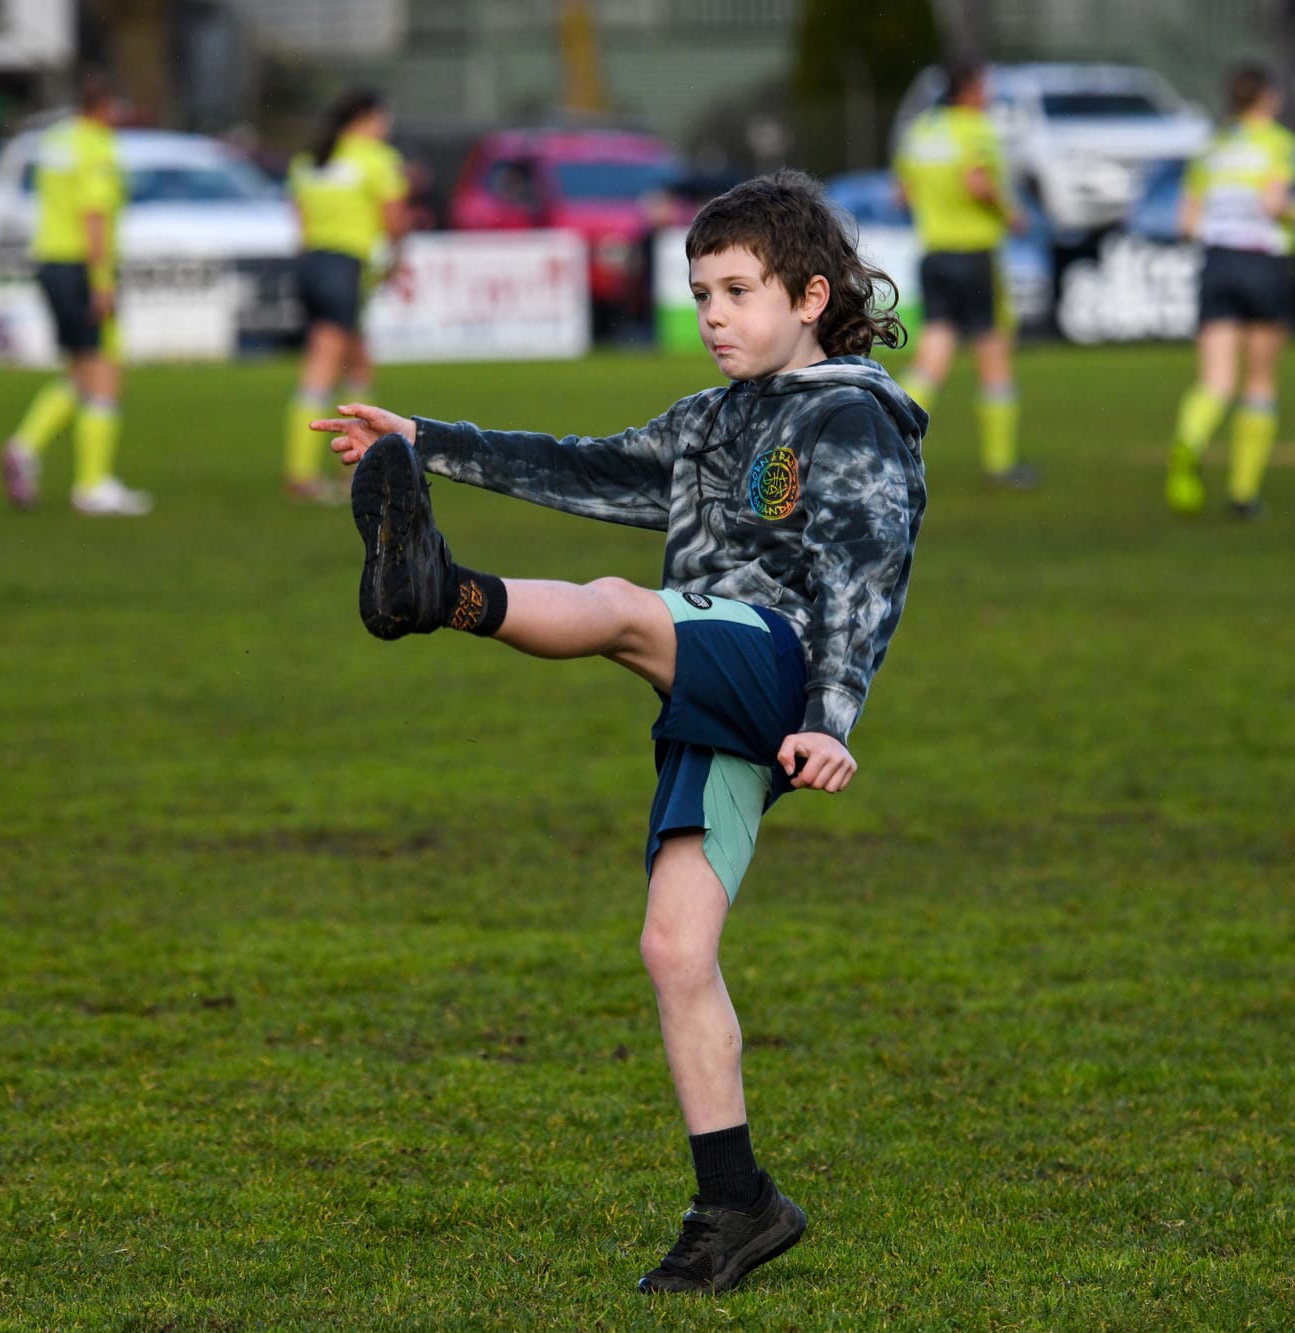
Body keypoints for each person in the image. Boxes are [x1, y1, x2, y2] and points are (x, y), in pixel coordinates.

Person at [314, 170, 928, 1294]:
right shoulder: (710, 419)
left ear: (809, 295)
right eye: (698, 294)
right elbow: (585, 468)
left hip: (775, 656)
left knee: (618, 607)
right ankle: (735, 1201)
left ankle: (443, 594)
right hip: (713, 678)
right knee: (672, 950)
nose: (712, 316)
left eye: (736, 292)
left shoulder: (851, 416)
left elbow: (864, 576)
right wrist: (420, 437)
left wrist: (831, 716)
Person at [0, 70, 153, 517]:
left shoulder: (55, 141)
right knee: (105, 375)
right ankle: (92, 486)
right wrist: (103, 281)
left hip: (50, 261)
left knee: (81, 373)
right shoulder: (97, 148)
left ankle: (23, 448)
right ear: (105, 107)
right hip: (83, 267)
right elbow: (94, 216)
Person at [1165, 61, 1295, 519]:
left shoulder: (1211, 150)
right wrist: (1294, 213)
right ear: (1267, 98)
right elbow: (1272, 204)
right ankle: (1244, 494)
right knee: (1260, 382)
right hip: (1262, 261)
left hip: (1218, 262)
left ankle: (1190, 440)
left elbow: (1185, 224)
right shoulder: (1278, 144)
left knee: (1216, 381)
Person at [893, 55, 1038, 489]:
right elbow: (977, 182)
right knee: (994, 358)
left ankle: (888, 438)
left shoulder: (919, 132)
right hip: (974, 254)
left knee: (932, 357)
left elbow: (902, 194)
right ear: (971, 89)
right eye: (985, 86)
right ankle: (1001, 464)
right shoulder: (976, 129)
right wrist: (1010, 214)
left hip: (934, 252)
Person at [283, 88, 411, 502]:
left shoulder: (311, 159)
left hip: (312, 264)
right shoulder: (376, 159)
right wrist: (397, 257)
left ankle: (360, 466)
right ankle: (301, 474)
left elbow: (299, 219)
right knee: (324, 362)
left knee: (358, 363)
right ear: (368, 118)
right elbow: (393, 218)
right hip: (347, 267)